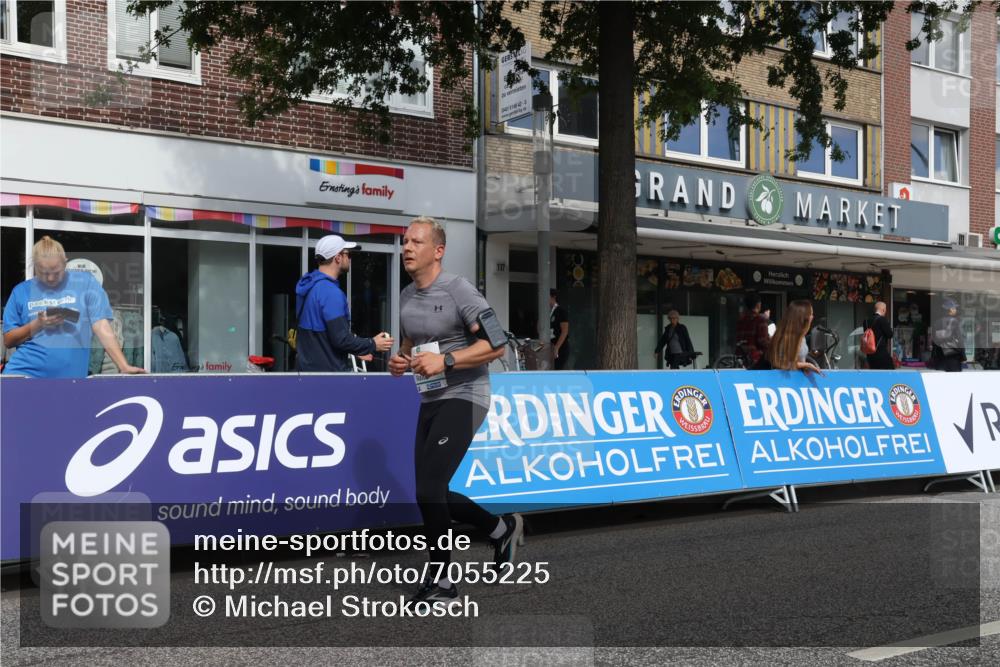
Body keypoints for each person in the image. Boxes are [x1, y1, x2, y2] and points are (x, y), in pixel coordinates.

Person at [388, 217, 522, 604]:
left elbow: (497, 345)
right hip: (430, 398)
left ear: (438, 250)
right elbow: (413, 343)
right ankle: (500, 528)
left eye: (416, 242)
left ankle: (444, 583)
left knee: (430, 489)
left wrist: (447, 362)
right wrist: (400, 361)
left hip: (467, 394)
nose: (407, 248)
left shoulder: (460, 289)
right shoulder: (407, 295)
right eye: (404, 241)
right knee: (430, 492)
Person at [2, 236, 145, 378]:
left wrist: (123, 366)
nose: (51, 278)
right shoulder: (21, 291)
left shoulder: (86, 283)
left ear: (65, 263)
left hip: (70, 380)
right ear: (34, 267)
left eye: (56, 272)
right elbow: (8, 340)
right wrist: (38, 324)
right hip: (25, 374)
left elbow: (101, 325)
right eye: (44, 273)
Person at [294, 235, 393, 372]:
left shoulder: (310, 287)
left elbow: (325, 338)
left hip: (307, 374)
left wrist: (360, 347)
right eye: (348, 254)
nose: (350, 259)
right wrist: (373, 344)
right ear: (338, 258)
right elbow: (341, 340)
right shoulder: (330, 293)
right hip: (328, 379)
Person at [767, 299, 822, 373]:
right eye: (810, 314)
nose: (812, 317)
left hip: (798, 380)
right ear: (803, 318)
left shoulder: (801, 337)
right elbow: (779, 363)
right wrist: (805, 365)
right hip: (785, 382)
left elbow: (797, 358)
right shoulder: (784, 337)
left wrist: (809, 356)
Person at [735, 293, 771, 366]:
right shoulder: (760, 320)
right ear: (758, 304)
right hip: (755, 359)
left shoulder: (741, 320)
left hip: (740, 357)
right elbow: (762, 340)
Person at [931, 298, 964, 373]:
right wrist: (963, 357)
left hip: (939, 356)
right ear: (949, 310)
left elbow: (934, 341)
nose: (955, 309)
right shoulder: (955, 322)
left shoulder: (936, 322)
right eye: (954, 308)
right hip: (952, 357)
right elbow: (960, 340)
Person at [866, 301, 895, 370]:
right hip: (881, 352)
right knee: (889, 372)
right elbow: (890, 334)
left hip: (870, 353)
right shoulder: (882, 320)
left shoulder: (866, 321)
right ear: (883, 310)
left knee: (874, 374)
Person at [549, 288, 570, 370]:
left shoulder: (561, 311)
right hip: (549, 347)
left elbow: (565, 331)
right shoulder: (546, 311)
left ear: (553, 297)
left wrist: (557, 347)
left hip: (560, 347)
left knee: (557, 370)